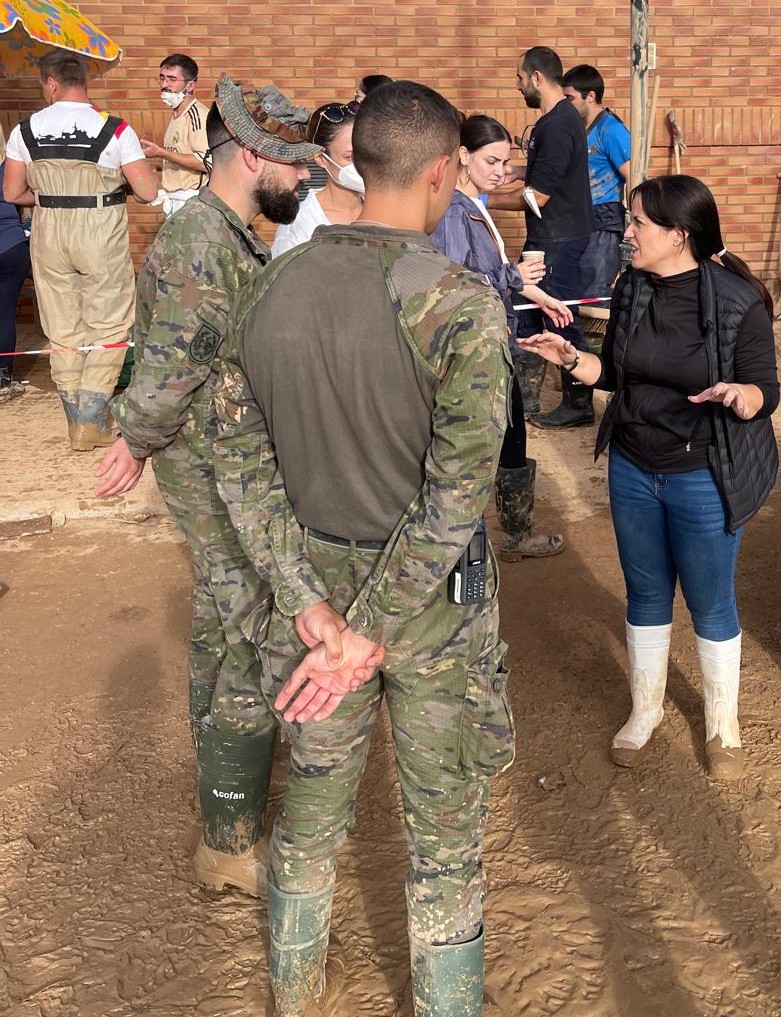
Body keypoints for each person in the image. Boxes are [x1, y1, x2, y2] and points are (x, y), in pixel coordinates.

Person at [214, 80, 513, 1017]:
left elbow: (239, 461)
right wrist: (366, 630)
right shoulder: (459, 304)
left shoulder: (273, 285)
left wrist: (311, 607)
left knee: (311, 800)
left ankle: (293, 991)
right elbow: (456, 496)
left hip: (308, 606)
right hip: (428, 612)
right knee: (445, 822)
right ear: (438, 174)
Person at [97, 77, 318, 897]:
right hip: (216, 474)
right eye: (294, 167)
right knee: (256, 634)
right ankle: (228, 838)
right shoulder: (203, 242)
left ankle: (226, 793)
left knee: (223, 627)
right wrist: (134, 441)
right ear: (253, 157)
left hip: (226, 467)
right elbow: (169, 368)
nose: (304, 181)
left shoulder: (226, 233)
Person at [518, 175, 779, 780]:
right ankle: (645, 711)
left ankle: (723, 726)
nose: (626, 233)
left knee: (711, 603)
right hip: (634, 468)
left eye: (638, 224)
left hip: (702, 472)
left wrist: (741, 394)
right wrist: (573, 362)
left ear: (679, 235)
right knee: (645, 594)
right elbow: (613, 372)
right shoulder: (632, 286)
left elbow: (767, 390)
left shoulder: (735, 300)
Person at [3, 50, 157, 451]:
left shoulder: (24, 130)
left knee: (62, 327)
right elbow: (148, 191)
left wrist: (53, 197)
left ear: (50, 83)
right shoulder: (116, 129)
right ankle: (94, 419)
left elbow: (12, 192)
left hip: (49, 230)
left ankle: (75, 423)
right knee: (109, 325)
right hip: (100, 230)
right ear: (82, 82)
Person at [431, 113, 568, 561]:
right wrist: (513, 275)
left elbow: (495, 277)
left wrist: (539, 296)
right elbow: (456, 285)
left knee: (510, 433)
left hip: (491, 343)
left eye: (506, 163)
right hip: (474, 352)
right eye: (492, 161)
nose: (501, 172)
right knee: (486, 443)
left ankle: (510, 532)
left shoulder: (474, 206)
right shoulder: (454, 211)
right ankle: (477, 539)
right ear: (463, 157)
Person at [488, 46, 593, 428]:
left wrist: (483, 199)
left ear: (536, 78)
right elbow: (548, 171)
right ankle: (525, 399)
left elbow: (539, 196)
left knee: (561, 315)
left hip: (559, 239)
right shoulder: (557, 121)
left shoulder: (558, 124)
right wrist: (515, 171)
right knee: (528, 310)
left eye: (519, 77)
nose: (517, 86)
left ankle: (579, 402)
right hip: (551, 234)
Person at [562, 64, 631, 298]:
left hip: (604, 222)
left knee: (595, 294)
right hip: (580, 220)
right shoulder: (579, 129)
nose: (565, 104)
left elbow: (635, 177)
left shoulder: (611, 130)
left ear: (590, 96)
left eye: (569, 98)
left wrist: (636, 223)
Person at [272, 102, 362, 255]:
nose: (362, 163)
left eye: (364, 152)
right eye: (349, 157)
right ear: (321, 158)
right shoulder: (299, 224)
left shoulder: (385, 208)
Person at [141, 54, 209, 216]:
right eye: (162, 78)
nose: (165, 85)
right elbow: (179, 156)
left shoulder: (197, 115)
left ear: (190, 85)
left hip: (192, 203)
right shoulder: (176, 115)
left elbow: (205, 162)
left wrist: (162, 153)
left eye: (172, 79)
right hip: (175, 202)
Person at [0, 131, 31, 396]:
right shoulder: (8, 165)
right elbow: (30, 195)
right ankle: (2, 378)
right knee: (5, 312)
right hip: (10, 246)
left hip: (10, 244)